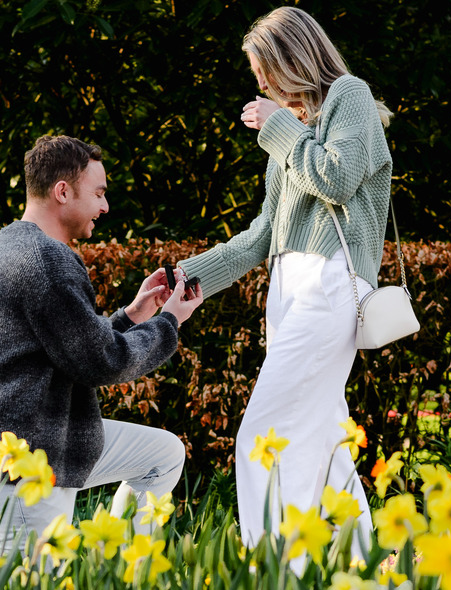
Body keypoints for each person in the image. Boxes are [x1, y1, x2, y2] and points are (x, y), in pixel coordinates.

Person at [177, 6, 393, 555]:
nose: (261, 87)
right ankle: (366, 573)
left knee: (261, 437)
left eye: (263, 73)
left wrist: (276, 128)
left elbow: (338, 180)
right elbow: (262, 234)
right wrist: (190, 275)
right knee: (325, 442)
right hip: (288, 289)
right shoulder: (293, 130)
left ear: (291, 61)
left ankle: (270, 571)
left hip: (329, 284)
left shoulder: (351, 97)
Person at [0, 134, 204, 555]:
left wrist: (134, 314)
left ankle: (124, 565)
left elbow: (71, 346)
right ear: (63, 191)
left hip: (31, 438)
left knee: (163, 455)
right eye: (100, 193)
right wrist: (170, 322)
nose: (105, 206)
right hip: (25, 464)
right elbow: (102, 363)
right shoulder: (47, 260)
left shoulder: (6, 245)